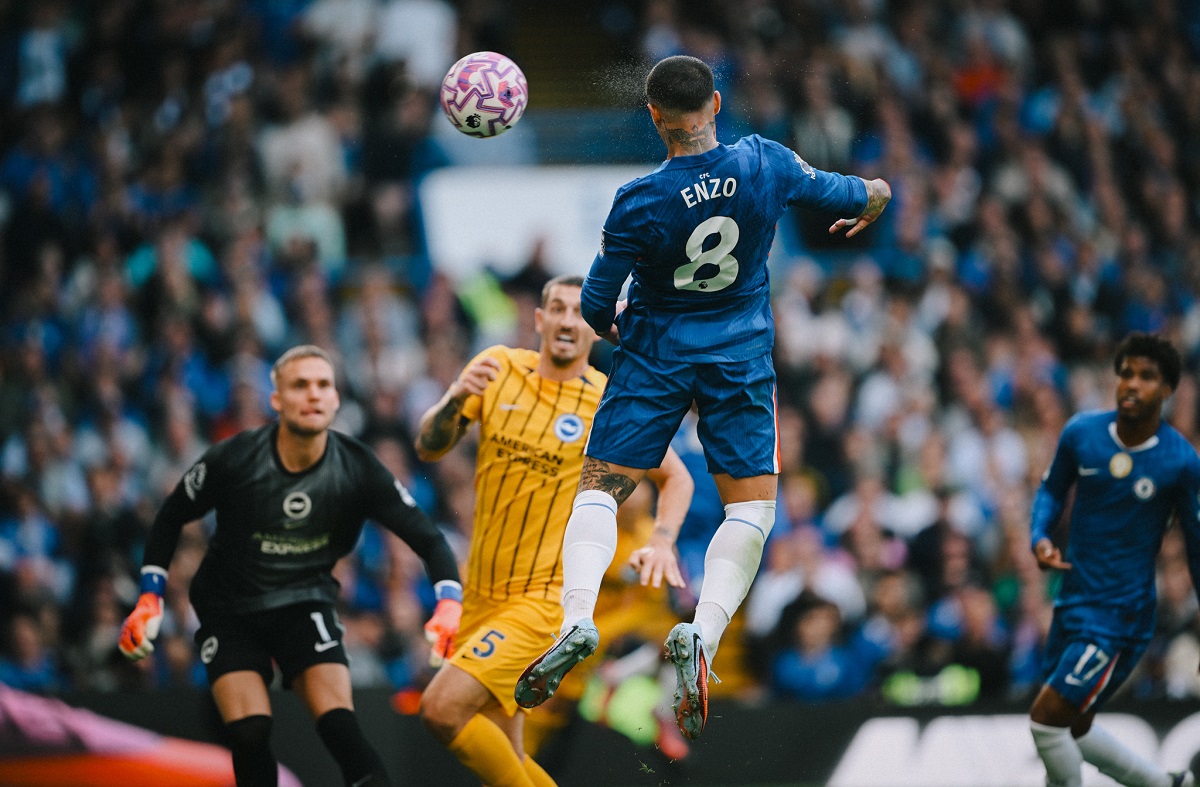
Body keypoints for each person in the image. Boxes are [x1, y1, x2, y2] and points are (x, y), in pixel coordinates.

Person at [514, 54, 891, 741]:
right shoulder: (766, 162)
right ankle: (704, 633)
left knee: (599, 492)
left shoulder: (639, 200)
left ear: (654, 116)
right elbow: (852, 193)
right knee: (752, 509)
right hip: (739, 356)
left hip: (656, 354)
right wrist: (876, 196)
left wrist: (626, 327)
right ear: (716, 103)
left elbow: (595, 305)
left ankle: (576, 619)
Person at [119, 345, 463, 787]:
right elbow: (169, 518)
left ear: (336, 399)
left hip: (305, 601)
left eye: (323, 385)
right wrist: (149, 597)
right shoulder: (234, 459)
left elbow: (429, 539)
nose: (314, 394)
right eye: (300, 385)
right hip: (231, 608)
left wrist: (449, 603)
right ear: (277, 400)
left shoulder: (358, 467)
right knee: (250, 732)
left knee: (342, 731)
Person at [415, 275, 693, 787]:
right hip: (480, 597)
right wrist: (455, 398)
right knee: (507, 757)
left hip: (541, 601)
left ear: (594, 327)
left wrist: (662, 539)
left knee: (440, 709)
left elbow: (676, 477)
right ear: (539, 320)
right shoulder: (498, 368)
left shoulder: (608, 401)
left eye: (579, 313)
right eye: (557, 310)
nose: (567, 321)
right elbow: (429, 447)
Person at [1028, 333, 1200, 787]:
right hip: (1072, 603)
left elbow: (1197, 547)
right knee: (1073, 727)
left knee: (1046, 721)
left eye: (1146, 376)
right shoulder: (1082, 434)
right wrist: (1040, 537)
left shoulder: (1180, 462)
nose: (1132, 384)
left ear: (1167, 389)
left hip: (1121, 617)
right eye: (1126, 373)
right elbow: (1051, 490)